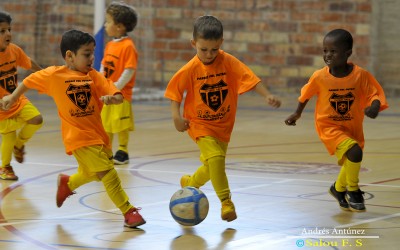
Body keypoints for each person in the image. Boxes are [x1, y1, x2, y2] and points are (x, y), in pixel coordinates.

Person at [1, 29, 145, 228]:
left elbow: (116, 93)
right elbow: (28, 81)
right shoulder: (54, 75)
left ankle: (68, 184)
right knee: (108, 173)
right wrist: (13, 97)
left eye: (93, 53)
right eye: (87, 54)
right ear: (69, 56)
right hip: (78, 137)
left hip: (98, 135)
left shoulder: (94, 76)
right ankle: (129, 211)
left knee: (93, 173)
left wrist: (113, 99)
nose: (92, 58)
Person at [164, 15, 281, 222]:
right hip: (199, 124)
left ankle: (190, 181)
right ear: (194, 44)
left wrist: (267, 95)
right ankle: (226, 202)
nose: (209, 55)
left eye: (214, 50)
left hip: (223, 126)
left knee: (212, 166)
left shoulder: (228, 62)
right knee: (217, 160)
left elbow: (251, 79)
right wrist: (176, 117)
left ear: (221, 44)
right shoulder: (190, 69)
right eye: (204, 49)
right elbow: (174, 93)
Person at [285, 29, 388, 212]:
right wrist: (297, 113)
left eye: (333, 51)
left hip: (352, 125)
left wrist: (374, 106)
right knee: (355, 152)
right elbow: (305, 96)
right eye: (325, 51)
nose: (328, 55)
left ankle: (338, 189)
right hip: (328, 126)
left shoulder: (360, 75)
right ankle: (353, 190)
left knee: (351, 159)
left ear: (348, 53)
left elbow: (375, 93)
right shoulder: (319, 76)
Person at [0, 10, 43, 180]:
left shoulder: (14, 50)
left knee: (37, 119)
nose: (8, 34)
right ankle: (5, 167)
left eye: (9, 29)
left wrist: (44, 73)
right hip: (2, 107)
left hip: (16, 98)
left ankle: (19, 145)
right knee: (8, 135)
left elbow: (28, 62)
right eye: (2, 31)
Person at [100, 2, 138, 165]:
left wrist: (116, 88)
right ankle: (107, 150)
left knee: (120, 124)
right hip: (107, 92)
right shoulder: (109, 45)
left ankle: (123, 151)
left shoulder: (128, 46)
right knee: (106, 124)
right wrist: (101, 83)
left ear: (120, 27)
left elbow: (129, 70)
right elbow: (103, 65)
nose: (105, 25)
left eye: (108, 22)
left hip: (121, 94)